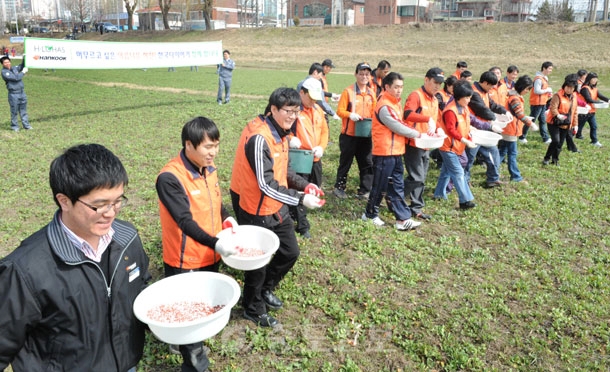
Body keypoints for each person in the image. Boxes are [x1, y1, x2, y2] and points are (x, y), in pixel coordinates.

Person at [0, 143, 151, 372]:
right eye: (99, 205)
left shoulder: (127, 238)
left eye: (118, 200)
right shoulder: (24, 270)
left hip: (126, 364)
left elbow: (141, 287)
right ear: (64, 200)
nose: (111, 212)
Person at [230, 87, 325, 327]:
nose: (293, 116)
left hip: (277, 206)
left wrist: (307, 185)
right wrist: (301, 199)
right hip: (257, 209)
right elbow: (265, 184)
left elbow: (284, 171)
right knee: (258, 263)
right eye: (288, 111)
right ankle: (252, 308)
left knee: (290, 252)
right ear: (273, 109)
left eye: (296, 111)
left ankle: (265, 289)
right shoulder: (260, 138)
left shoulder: (281, 132)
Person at [156, 117, 238, 372]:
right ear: (188, 145)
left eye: (216, 145)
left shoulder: (208, 168)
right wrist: (215, 243)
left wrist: (226, 217)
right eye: (207, 147)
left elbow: (214, 200)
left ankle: (181, 339)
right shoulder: (170, 178)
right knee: (189, 321)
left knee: (200, 308)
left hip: (210, 254)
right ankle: (192, 360)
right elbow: (184, 221)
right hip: (185, 260)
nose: (213, 152)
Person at [362, 72, 422, 230]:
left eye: (401, 87)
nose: (399, 90)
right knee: (380, 186)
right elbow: (397, 126)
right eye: (396, 87)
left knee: (397, 186)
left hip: (395, 151)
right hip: (384, 152)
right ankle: (369, 214)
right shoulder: (385, 106)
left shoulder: (395, 103)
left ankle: (402, 219)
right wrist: (418, 133)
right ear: (387, 86)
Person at [402, 67, 444, 221]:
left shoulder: (434, 99)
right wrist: (426, 119)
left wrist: (439, 129)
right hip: (413, 143)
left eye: (440, 84)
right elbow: (407, 114)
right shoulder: (416, 95)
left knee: (422, 176)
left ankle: (416, 207)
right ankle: (394, 197)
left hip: (426, 142)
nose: (437, 86)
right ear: (426, 80)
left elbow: (436, 119)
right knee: (416, 177)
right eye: (435, 82)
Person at [289, 78, 328, 238]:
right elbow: (284, 131)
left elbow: (324, 131)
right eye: (310, 97)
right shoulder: (294, 111)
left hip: (315, 159)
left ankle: (295, 212)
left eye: (315, 98)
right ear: (302, 93)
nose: (313, 101)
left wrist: (322, 147)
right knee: (301, 189)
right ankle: (302, 225)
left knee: (315, 186)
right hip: (300, 159)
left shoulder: (318, 110)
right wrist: (291, 139)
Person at [333, 62, 377, 199]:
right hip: (349, 134)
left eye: (367, 74)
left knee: (367, 162)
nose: (364, 76)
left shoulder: (371, 93)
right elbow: (339, 111)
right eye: (361, 73)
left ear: (370, 76)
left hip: (366, 134)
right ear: (356, 74)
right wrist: (350, 115)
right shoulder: (348, 91)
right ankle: (339, 187)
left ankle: (365, 189)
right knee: (346, 161)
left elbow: (375, 112)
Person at [433, 80, 478, 209]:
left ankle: (439, 194)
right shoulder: (450, 111)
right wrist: (464, 140)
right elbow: (451, 130)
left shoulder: (463, 108)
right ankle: (465, 201)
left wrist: (471, 132)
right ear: (459, 98)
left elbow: (465, 124)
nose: (469, 100)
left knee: (446, 172)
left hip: (457, 146)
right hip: (448, 147)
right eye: (467, 98)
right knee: (458, 173)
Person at [467, 70, 510, 188]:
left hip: (485, 129)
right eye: (490, 85)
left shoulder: (484, 91)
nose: (491, 89)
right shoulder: (474, 93)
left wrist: (504, 111)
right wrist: (495, 119)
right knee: (470, 156)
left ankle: (493, 179)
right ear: (485, 83)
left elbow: (491, 104)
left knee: (493, 153)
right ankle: (465, 180)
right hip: (474, 130)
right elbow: (482, 109)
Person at [499, 75, 539, 182]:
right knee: (512, 154)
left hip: (507, 129)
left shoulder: (514, 96)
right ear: (522, 87)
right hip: (510, 130)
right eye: (527, 89)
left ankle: (492, 171)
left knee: (502, 152)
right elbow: (519, 114)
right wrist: (531, 124)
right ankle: (516, 176)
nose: (527, 91)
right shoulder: (515, 99)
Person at [543, 76, 578, 166]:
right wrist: (558, 115)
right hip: (554, 122)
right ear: (564, 86)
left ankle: (555, 159)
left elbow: (575, 112)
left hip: (566, 123)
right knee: (555, 141)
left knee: (560, 143)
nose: (569, 90)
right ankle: (546, 158)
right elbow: (553, 107)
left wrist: (575, 124)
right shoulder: (557, 95)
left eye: (572, 88)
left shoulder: (574, 97)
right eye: (568, 87)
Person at [521, 61, 553, 144]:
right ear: (544, 68)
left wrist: (547, 93)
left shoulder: (544, 78)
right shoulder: (538, 79)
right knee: (531, 120)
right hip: (536, 103)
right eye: (549, 69)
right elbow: (536, 91)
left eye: (551, 69)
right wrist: (547, 90)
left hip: (542, 103)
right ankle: (522, 136)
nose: (550, 71)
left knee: (542, 120)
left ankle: (545, 138)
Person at [576, 72, 608, 147]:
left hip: (592, 111)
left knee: (594, 126)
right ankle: (571, 136)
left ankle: (594, 141)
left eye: (596, 79)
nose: (594, 80)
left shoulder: (595, 88)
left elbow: (601, 96)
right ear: (589, 79)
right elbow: (588, 99)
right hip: (584, 112)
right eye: (593, 79)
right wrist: (599, 102)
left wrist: (608, 100)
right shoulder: (585, 88)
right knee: (578, 126)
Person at [1, 55, 31, 132]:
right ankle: (15, 126)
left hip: (22, 92)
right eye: (5, 62)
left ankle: (26, 125)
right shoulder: (4, 72)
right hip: (13, 94)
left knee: (23, 110)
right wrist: (23, 72)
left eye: (8, 61)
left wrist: (24, 58)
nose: (7, 63)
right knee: (14, 111)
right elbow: (15, 78)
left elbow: (22, 66)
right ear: (2, 64)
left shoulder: (14, 68)